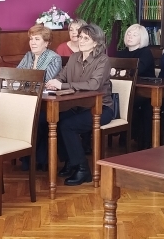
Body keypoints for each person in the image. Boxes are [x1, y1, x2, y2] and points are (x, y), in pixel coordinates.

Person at [44, 24, 114, 185]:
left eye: (86, 38)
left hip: (101, 108)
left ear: (96, 42)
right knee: (55, 120)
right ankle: (70, 161)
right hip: (77, 105)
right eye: (80, 37)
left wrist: (63, 86)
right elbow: (62, 76)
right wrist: (54, 82)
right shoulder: (74, 57)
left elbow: (94, 85)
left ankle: (83, 169)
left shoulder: (103, 60)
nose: (80, 40)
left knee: (68, 126)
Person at [121, 24, 155, 149]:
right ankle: (125, 136)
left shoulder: (145, 52)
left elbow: (138, 70)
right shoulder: (122, 52)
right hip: (126, 89)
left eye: (135, 35)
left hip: (145, 91)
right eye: (129, 34)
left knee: (138, 105)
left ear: (142, 38)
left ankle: (142, 141)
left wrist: (121, 72)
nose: (130, 37)